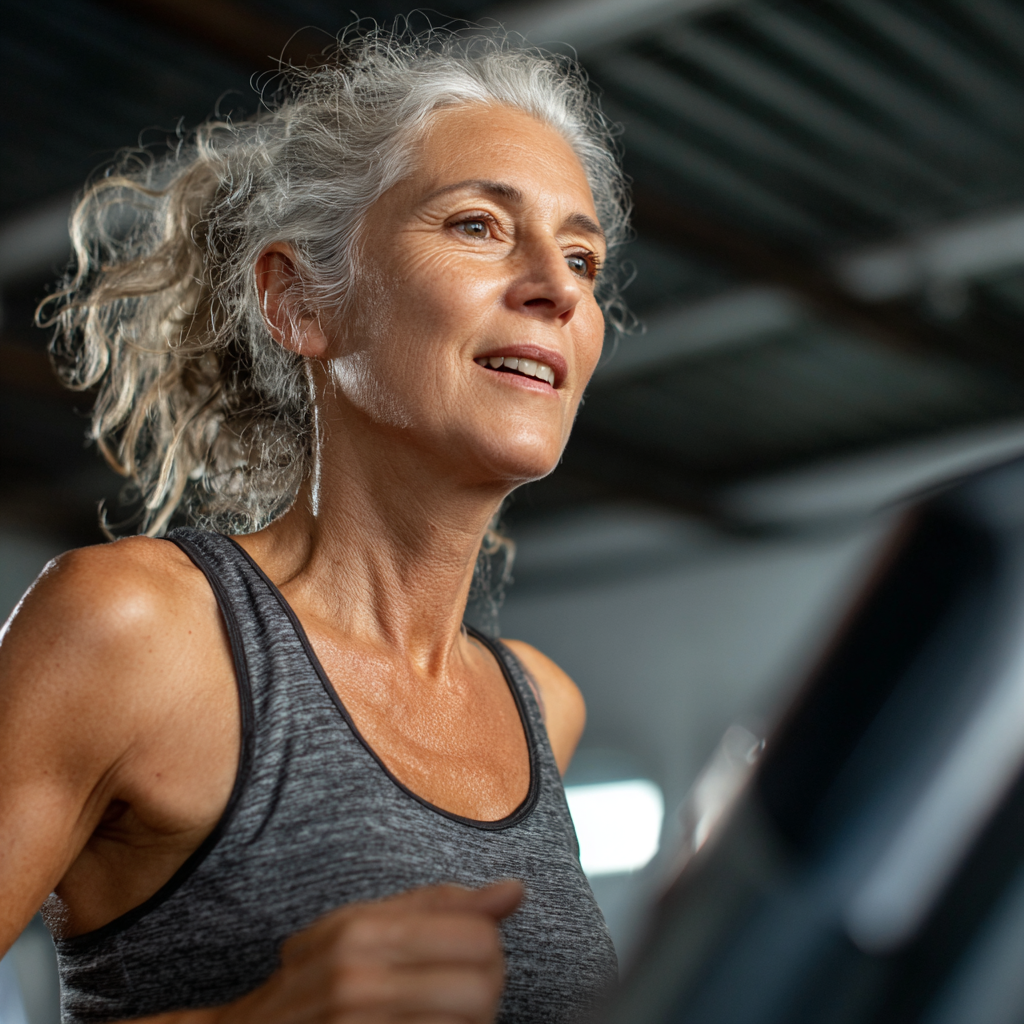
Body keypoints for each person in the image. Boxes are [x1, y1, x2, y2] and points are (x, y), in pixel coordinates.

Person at [0, 25, 630, 1024]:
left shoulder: (541, 707)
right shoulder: (135, 630)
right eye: (477, 224)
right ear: (299, 302)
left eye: (584, 257)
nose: (556, 287)